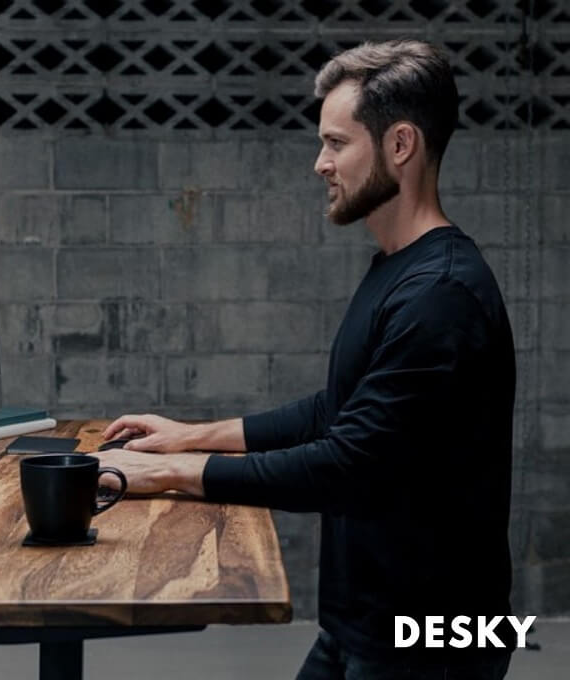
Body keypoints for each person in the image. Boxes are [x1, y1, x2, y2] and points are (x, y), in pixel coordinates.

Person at [95, 40, 516, 679]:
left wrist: (171, 473)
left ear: (400, 145)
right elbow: (341, 408)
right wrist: (194, 436)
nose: (321, 163)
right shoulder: (401, 271)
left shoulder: (441, 295)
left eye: (337, 143)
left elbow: (348, 466)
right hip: (368, 625)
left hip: (429, 640)